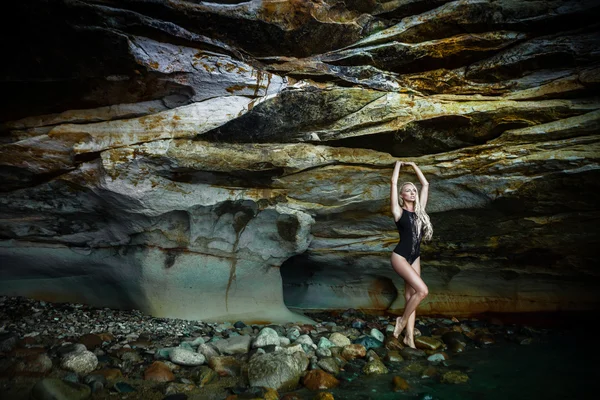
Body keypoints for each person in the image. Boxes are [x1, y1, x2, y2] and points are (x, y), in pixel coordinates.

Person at [390, 161, 433, 348]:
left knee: (412, 296)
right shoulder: (398, 211)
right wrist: (399, 165)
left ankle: (409, 339)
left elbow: (426, 184)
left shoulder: (420, 212)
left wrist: (414, 165)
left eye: (413, 190)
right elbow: (393, 183)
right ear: (402, 195)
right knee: (423, 291)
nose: (412, 192)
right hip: (400, 257)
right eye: (408, 190)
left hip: (415, 256)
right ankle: (401, 321)